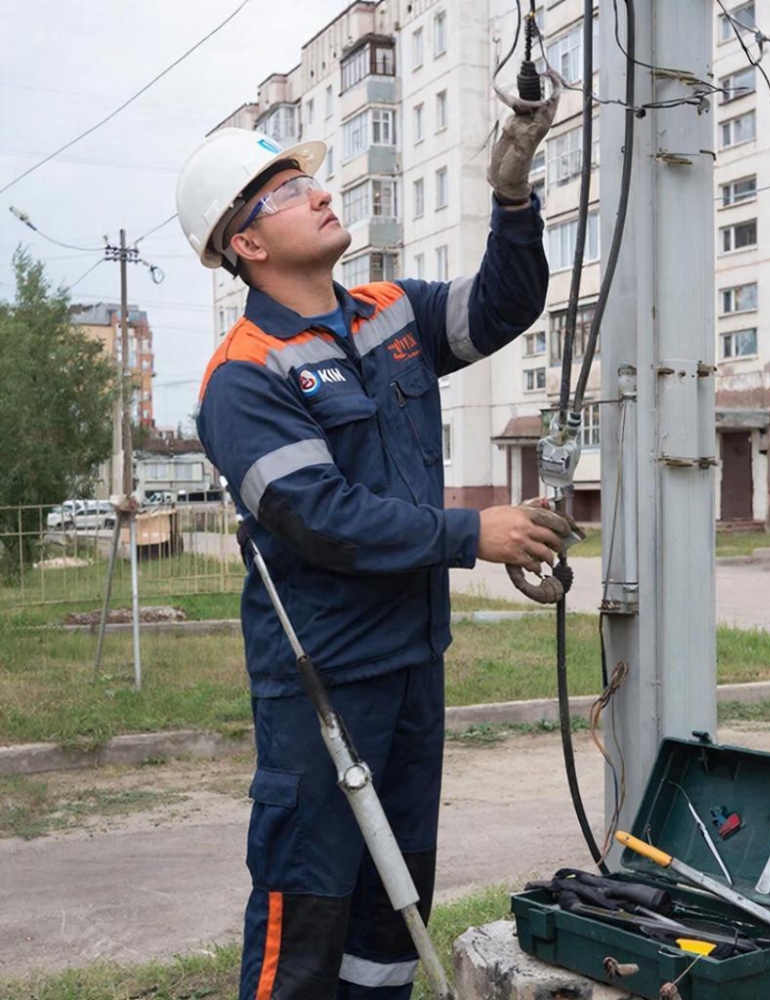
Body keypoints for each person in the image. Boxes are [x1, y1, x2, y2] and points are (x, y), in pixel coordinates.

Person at [175, 90, 564, 1000]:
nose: (316, 191)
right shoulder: (243, 374)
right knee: (306, 915)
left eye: (309, 176)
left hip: (410, 666)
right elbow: (321, 516)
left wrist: (513, 198)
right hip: (324, 681)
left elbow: (504, 304)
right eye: (283, 189)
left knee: (394, 910)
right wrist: (477, 533)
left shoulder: (389, 315)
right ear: (247, 244)